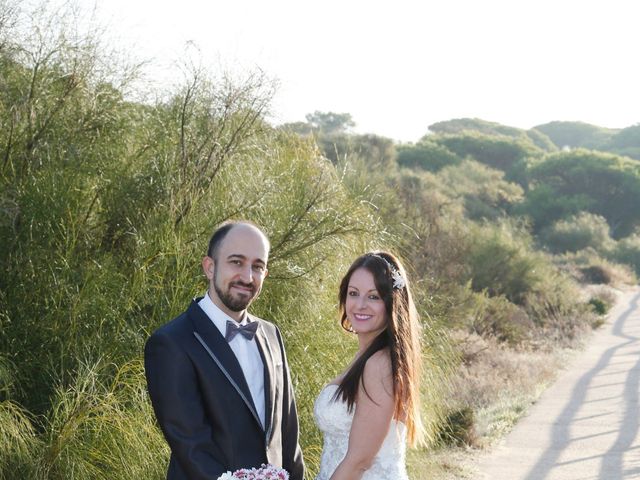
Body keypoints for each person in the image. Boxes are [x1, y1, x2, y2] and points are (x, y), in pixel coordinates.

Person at [145, 220, 304, 480]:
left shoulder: (271, 334)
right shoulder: (171, 343)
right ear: (209, 267)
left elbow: (288, 434)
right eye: (236, 262)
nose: (247, 277)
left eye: (257, 266)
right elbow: (191, 446)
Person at [314, 251, 425, 480]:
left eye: (374, 296)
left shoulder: (379, 365)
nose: (360, 305)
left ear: (392, 303)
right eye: (353, 293)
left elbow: (359, 462)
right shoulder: (367, 358)